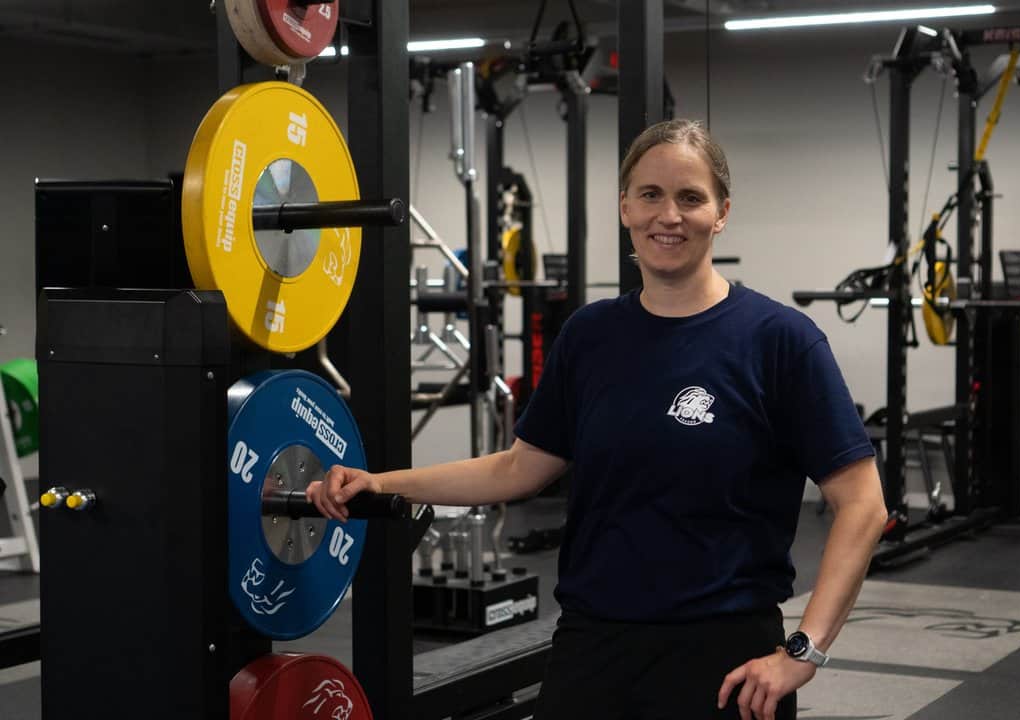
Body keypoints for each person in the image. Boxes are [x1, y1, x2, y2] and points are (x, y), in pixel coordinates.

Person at [308, 119, 887, 720]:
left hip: (725, 660)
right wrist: (382, 482)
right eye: (650, 194)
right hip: (592, 646)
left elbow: (863, 505)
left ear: (721, 213)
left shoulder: (780, 341)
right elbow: (518, 468)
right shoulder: (590, 335)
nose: (669, 215)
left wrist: (803, 651)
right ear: (625, 207)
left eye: (690, 197)